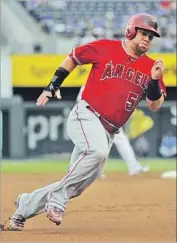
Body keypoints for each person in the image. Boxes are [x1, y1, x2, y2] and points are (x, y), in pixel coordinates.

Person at [9, 13, 166, 231]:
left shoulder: (151, 67)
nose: (148, 39)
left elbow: (155, 104)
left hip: (110, 131)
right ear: (130, 31)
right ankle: (56, 201)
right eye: (144, 33)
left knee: (77, 186)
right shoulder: (106, 48)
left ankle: (24, 206)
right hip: (87, 115)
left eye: (151, 36)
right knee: (97, 152)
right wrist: (53, 85)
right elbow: (73, 57)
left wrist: (155, 80)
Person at [77, 85, 149, 178]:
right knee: (107, 144)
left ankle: (96, 172)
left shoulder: (107, 81)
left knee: (104, 145)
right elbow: (81, 101)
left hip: (105, 117)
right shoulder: (90, 83)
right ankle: (133, 168)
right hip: (97, 117)